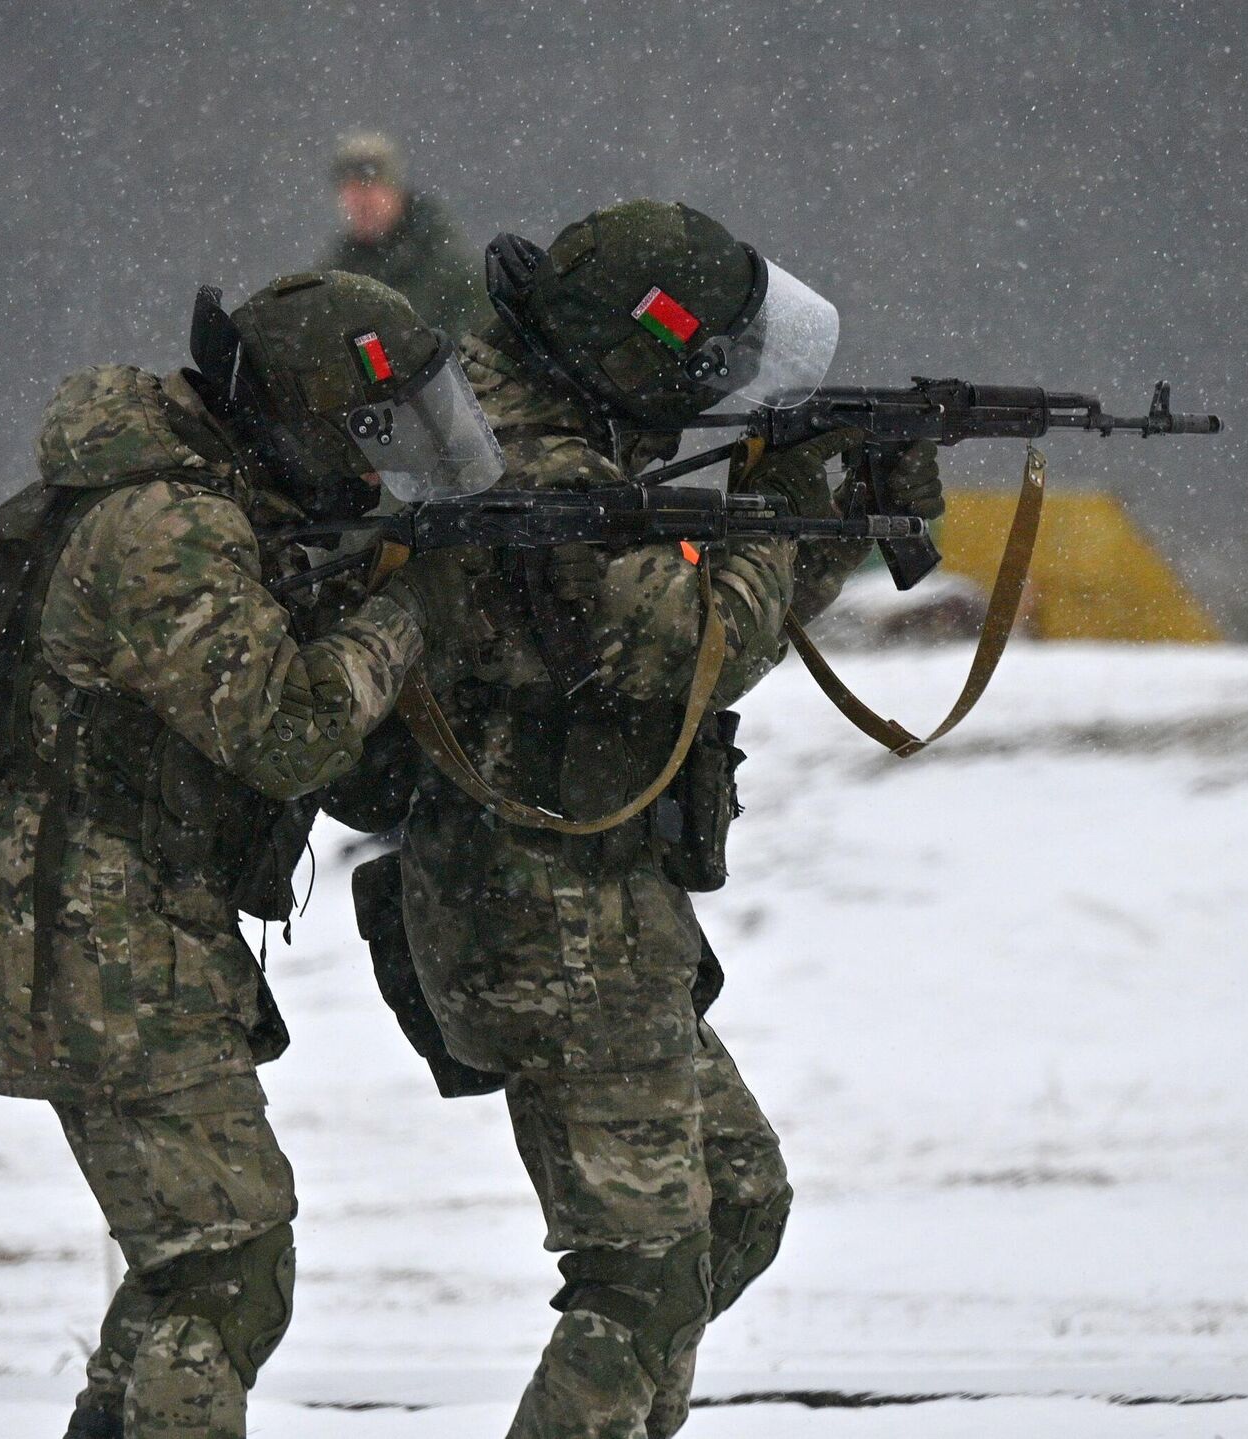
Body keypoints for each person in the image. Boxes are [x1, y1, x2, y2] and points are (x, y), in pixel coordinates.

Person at [373, 200, 944, 1438]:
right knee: (639, 1274)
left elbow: (703, 609)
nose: (717, 382)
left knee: (733, 1207)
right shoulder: (535, 468)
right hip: (549, 915)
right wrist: (797, 496)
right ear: (634, 352)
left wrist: (818, 518)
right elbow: (684, 641)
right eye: (701, 361)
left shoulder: (526, 421)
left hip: (591, 904)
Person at [0, 272, 497, 1439]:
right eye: (360, 435)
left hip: (110, 919)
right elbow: (289, 734)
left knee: (186, 1267)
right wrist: (409, 613)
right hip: (96, 928)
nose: (370, 465)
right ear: (298, 413)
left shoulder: (202, 501)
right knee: (231, 1266)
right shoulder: (167, 524)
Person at [316, 131, 491, 341]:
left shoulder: (448, 267)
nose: (361, 203)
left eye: (370, 188)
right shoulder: (332, 276)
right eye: (352, 192)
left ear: (395, 191)